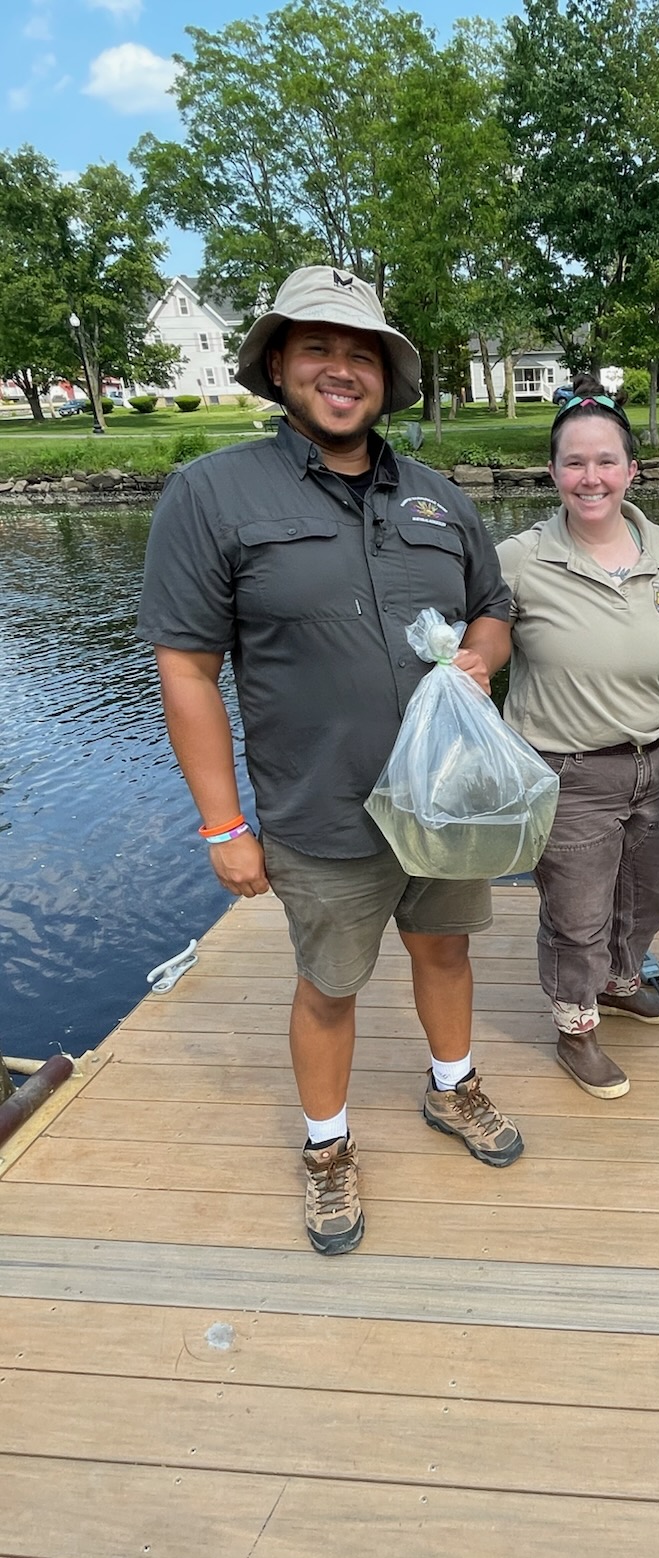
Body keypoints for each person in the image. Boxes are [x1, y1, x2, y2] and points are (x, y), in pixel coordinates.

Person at [136, 265, 523, 1257]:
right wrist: (223, 824)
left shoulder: (438, 499)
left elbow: (494, 605)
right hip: (321, 810)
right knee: (330, 985)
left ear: (387, 377)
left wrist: (482, 655)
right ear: (277, 363)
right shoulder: (211, 494)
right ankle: (327, 1145)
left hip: (446, 803)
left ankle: (452, 1086)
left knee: (446, 950)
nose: (342, 370)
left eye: (363, 354)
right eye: (318, 348)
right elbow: (186, 668)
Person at [497, 393, 659, 1098]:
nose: (591, 478)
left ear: (631, 470)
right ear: (553, 472)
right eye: (574, 462)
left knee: (647, 897)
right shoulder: (519, 560)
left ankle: (619, 983)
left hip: (652, 763)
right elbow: (473, 639)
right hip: (565, 771)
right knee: (577, 916)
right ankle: (574, 1028)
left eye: (606, 461)